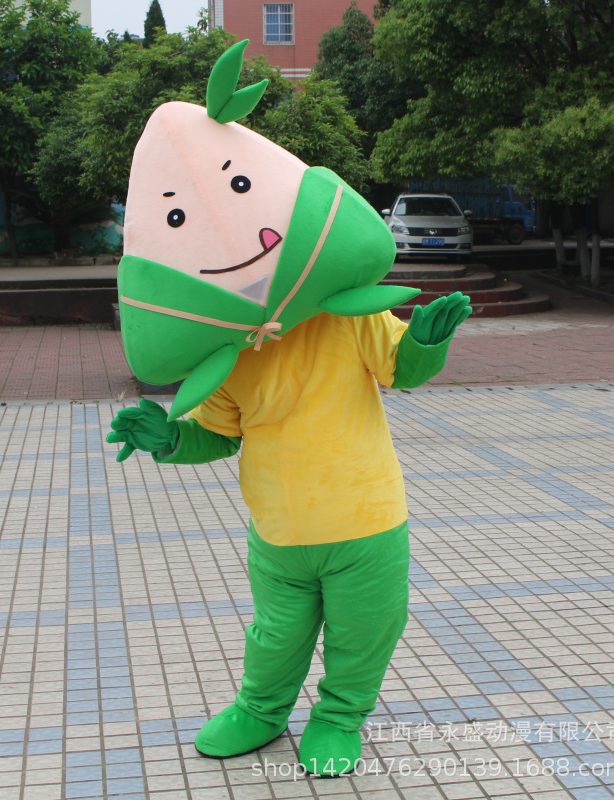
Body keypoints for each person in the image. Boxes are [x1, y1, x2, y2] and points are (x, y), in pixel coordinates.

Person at [107, 41, 473, 777]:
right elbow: (218, 435)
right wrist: (168, 438)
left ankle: (338, 717)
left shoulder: (347, 315)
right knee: (276, 633)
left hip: (366, 521)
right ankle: (261, 708)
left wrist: (425, 344)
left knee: (365, 629)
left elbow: (399, 368)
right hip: (278, 528)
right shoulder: (232, 353)